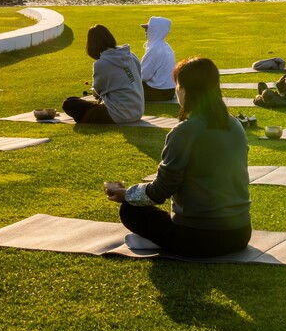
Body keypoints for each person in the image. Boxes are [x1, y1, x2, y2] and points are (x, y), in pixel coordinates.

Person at [104, 57, 251, 257]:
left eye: (178, 86)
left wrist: (126, 194)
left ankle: (159, 240)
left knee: (131, 210)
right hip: (240, 233)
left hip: (201, 238)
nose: (176, 91)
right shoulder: (235, 125)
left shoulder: (185, 131)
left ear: (187, 91)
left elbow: (160, 191)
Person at [62, 25, 144, 124]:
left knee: (69, 103)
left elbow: (97, 91)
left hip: (119, 114)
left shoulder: (101, 63)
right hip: (137, 111)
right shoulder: (131, 55)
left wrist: (94, 91)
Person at [139, 16, 176, 102]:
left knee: (125, 86)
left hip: (157, 91)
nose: (145, 31)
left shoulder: (155, 49)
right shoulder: (165, 46)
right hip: (169, 90)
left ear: (155, 30)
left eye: (147, 28)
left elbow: (144, 76)